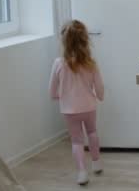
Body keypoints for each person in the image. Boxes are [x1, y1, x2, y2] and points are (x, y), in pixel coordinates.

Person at [49, 20, 105, 186]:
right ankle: (96, 163)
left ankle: (81, 172)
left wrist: (57, 96)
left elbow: (52, 89)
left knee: (76, 140)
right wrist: (100, 96)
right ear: (85, 40)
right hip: (89, 106)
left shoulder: (59, 64)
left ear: (64, 41)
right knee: (92, 132)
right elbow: (99, 86)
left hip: (69, 109)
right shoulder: (90, 64)